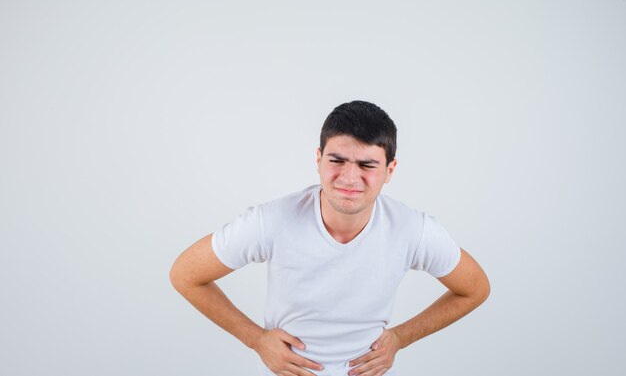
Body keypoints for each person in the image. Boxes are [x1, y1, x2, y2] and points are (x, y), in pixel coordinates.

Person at [170, 100, 490, 376]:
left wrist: (400, 338)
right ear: (319, 159)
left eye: (367, 165)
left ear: (390, 170)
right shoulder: (272, 221)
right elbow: (185, 274)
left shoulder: (412, 229)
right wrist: (255, 339)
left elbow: (474, 289)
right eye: (337, 160)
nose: (350, 177)